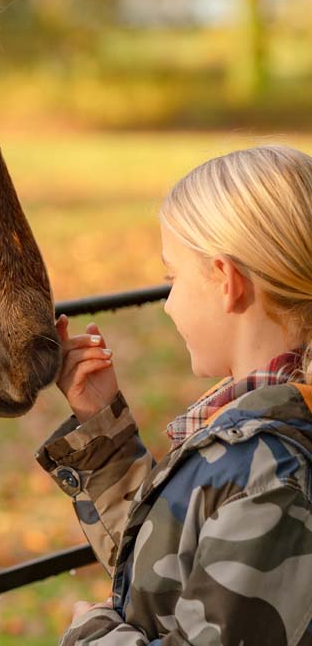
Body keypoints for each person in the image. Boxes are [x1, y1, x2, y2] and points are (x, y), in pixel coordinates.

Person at [36, 145, 312, 646]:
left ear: (226, 282)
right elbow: (180, 572)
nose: (167, 305)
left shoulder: (274, 472)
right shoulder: (258, 437)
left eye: (173, 278)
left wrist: (92, 633)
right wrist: (102, 427)